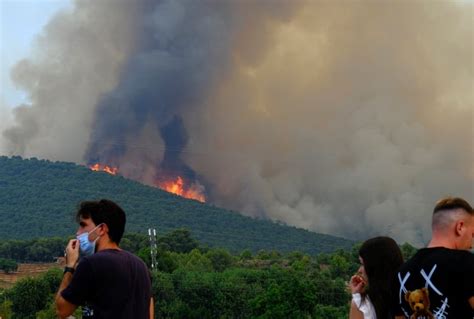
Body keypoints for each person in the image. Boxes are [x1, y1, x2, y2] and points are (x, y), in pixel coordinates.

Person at [55, 199, 154, 319]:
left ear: (101, 229)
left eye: (83, 225)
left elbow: (62, 309)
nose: (78, 233)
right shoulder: (141, 266)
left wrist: (70, 267)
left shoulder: (91, 264)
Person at [392, 196, 474, 319]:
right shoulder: (465, 262)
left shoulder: (400, 274)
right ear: (460, 227)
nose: (471, 243)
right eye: (473, 234)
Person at [349, 236, 404, 319]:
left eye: (363, 264)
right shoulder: (412, 298)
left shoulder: (363, 306)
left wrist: (357, 299)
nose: (359, 270)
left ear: (375, 267)